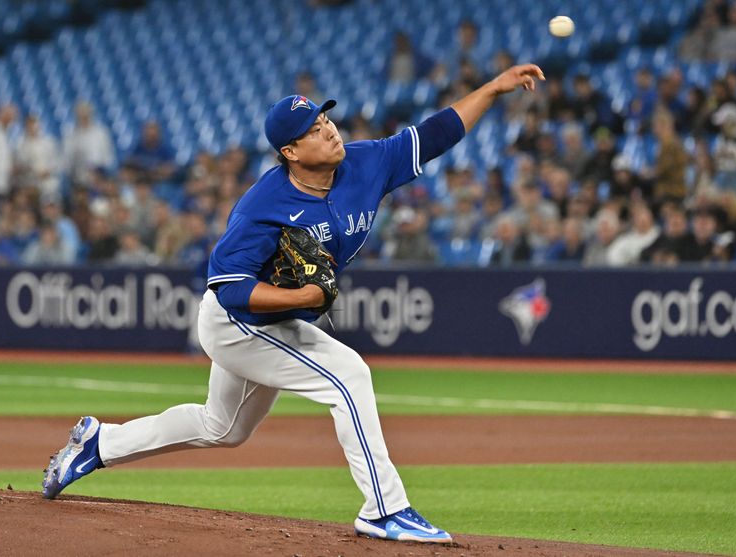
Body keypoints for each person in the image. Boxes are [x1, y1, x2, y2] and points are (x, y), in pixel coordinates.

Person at [42, 64, 546, 544]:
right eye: (313, 128)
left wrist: (494, 88)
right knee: (348, 374)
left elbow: (435, 134)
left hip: (275, 320)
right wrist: (303, 296)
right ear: (291, 151)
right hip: (239, 323)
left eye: (325, 117)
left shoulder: (364, 164)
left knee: (223, 428)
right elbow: (231, 288)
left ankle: (99, 443)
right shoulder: (263, 206)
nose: (328, 130)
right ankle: (385, 509)